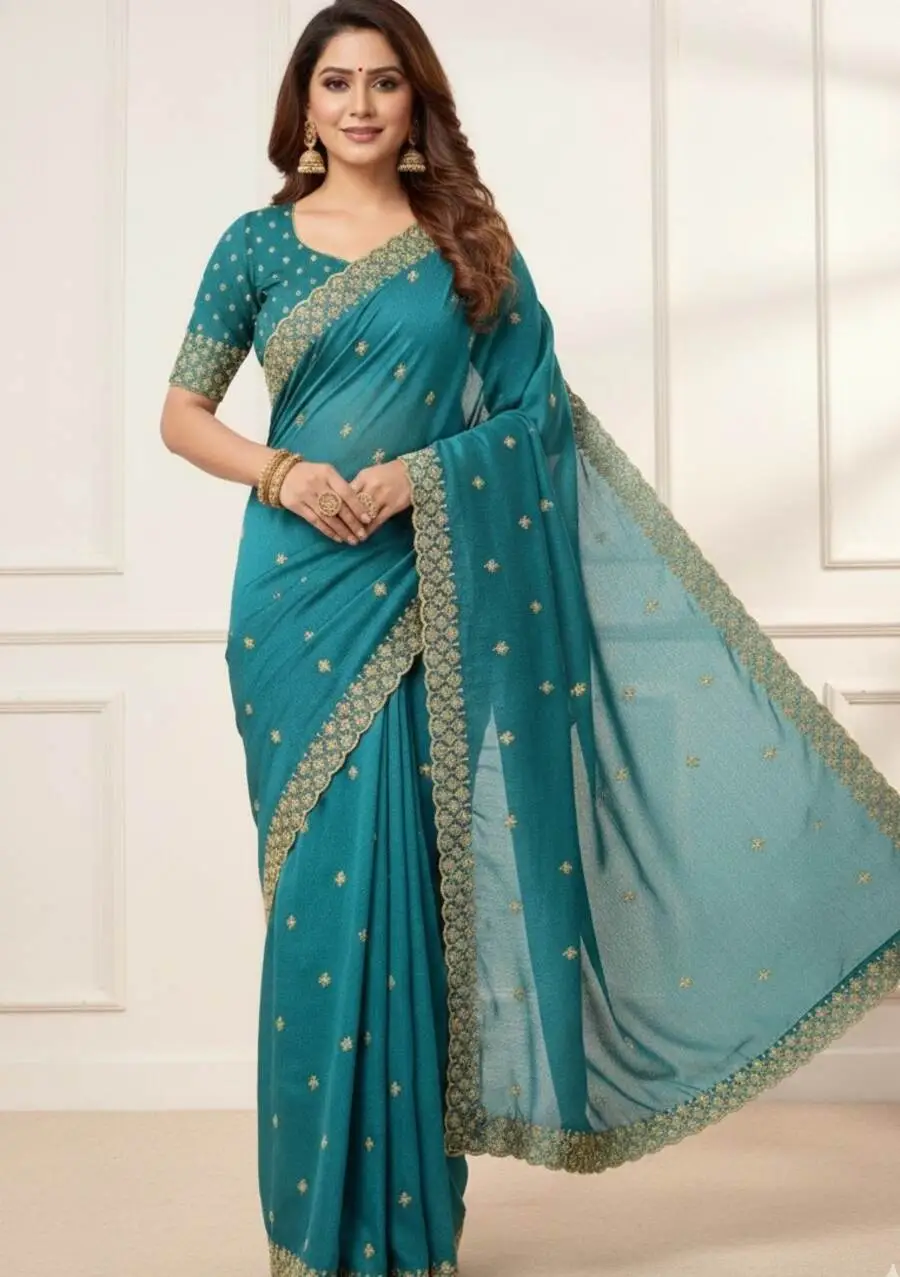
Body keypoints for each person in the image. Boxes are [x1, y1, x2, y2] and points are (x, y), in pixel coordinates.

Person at [161, 2, 900, 1274]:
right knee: (320, 905)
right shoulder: (256, 245)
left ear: (417, 100)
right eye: (335, 83)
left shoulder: (465, 242)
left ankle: (407, 1225)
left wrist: (421, 477)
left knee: (414, 900)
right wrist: (282, 471)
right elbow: (183, 414)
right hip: (295, 600)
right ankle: (314, 1226)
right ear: (303, 104)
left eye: (383, 82)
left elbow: (535, 420)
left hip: (423, 592)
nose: (358, 105)